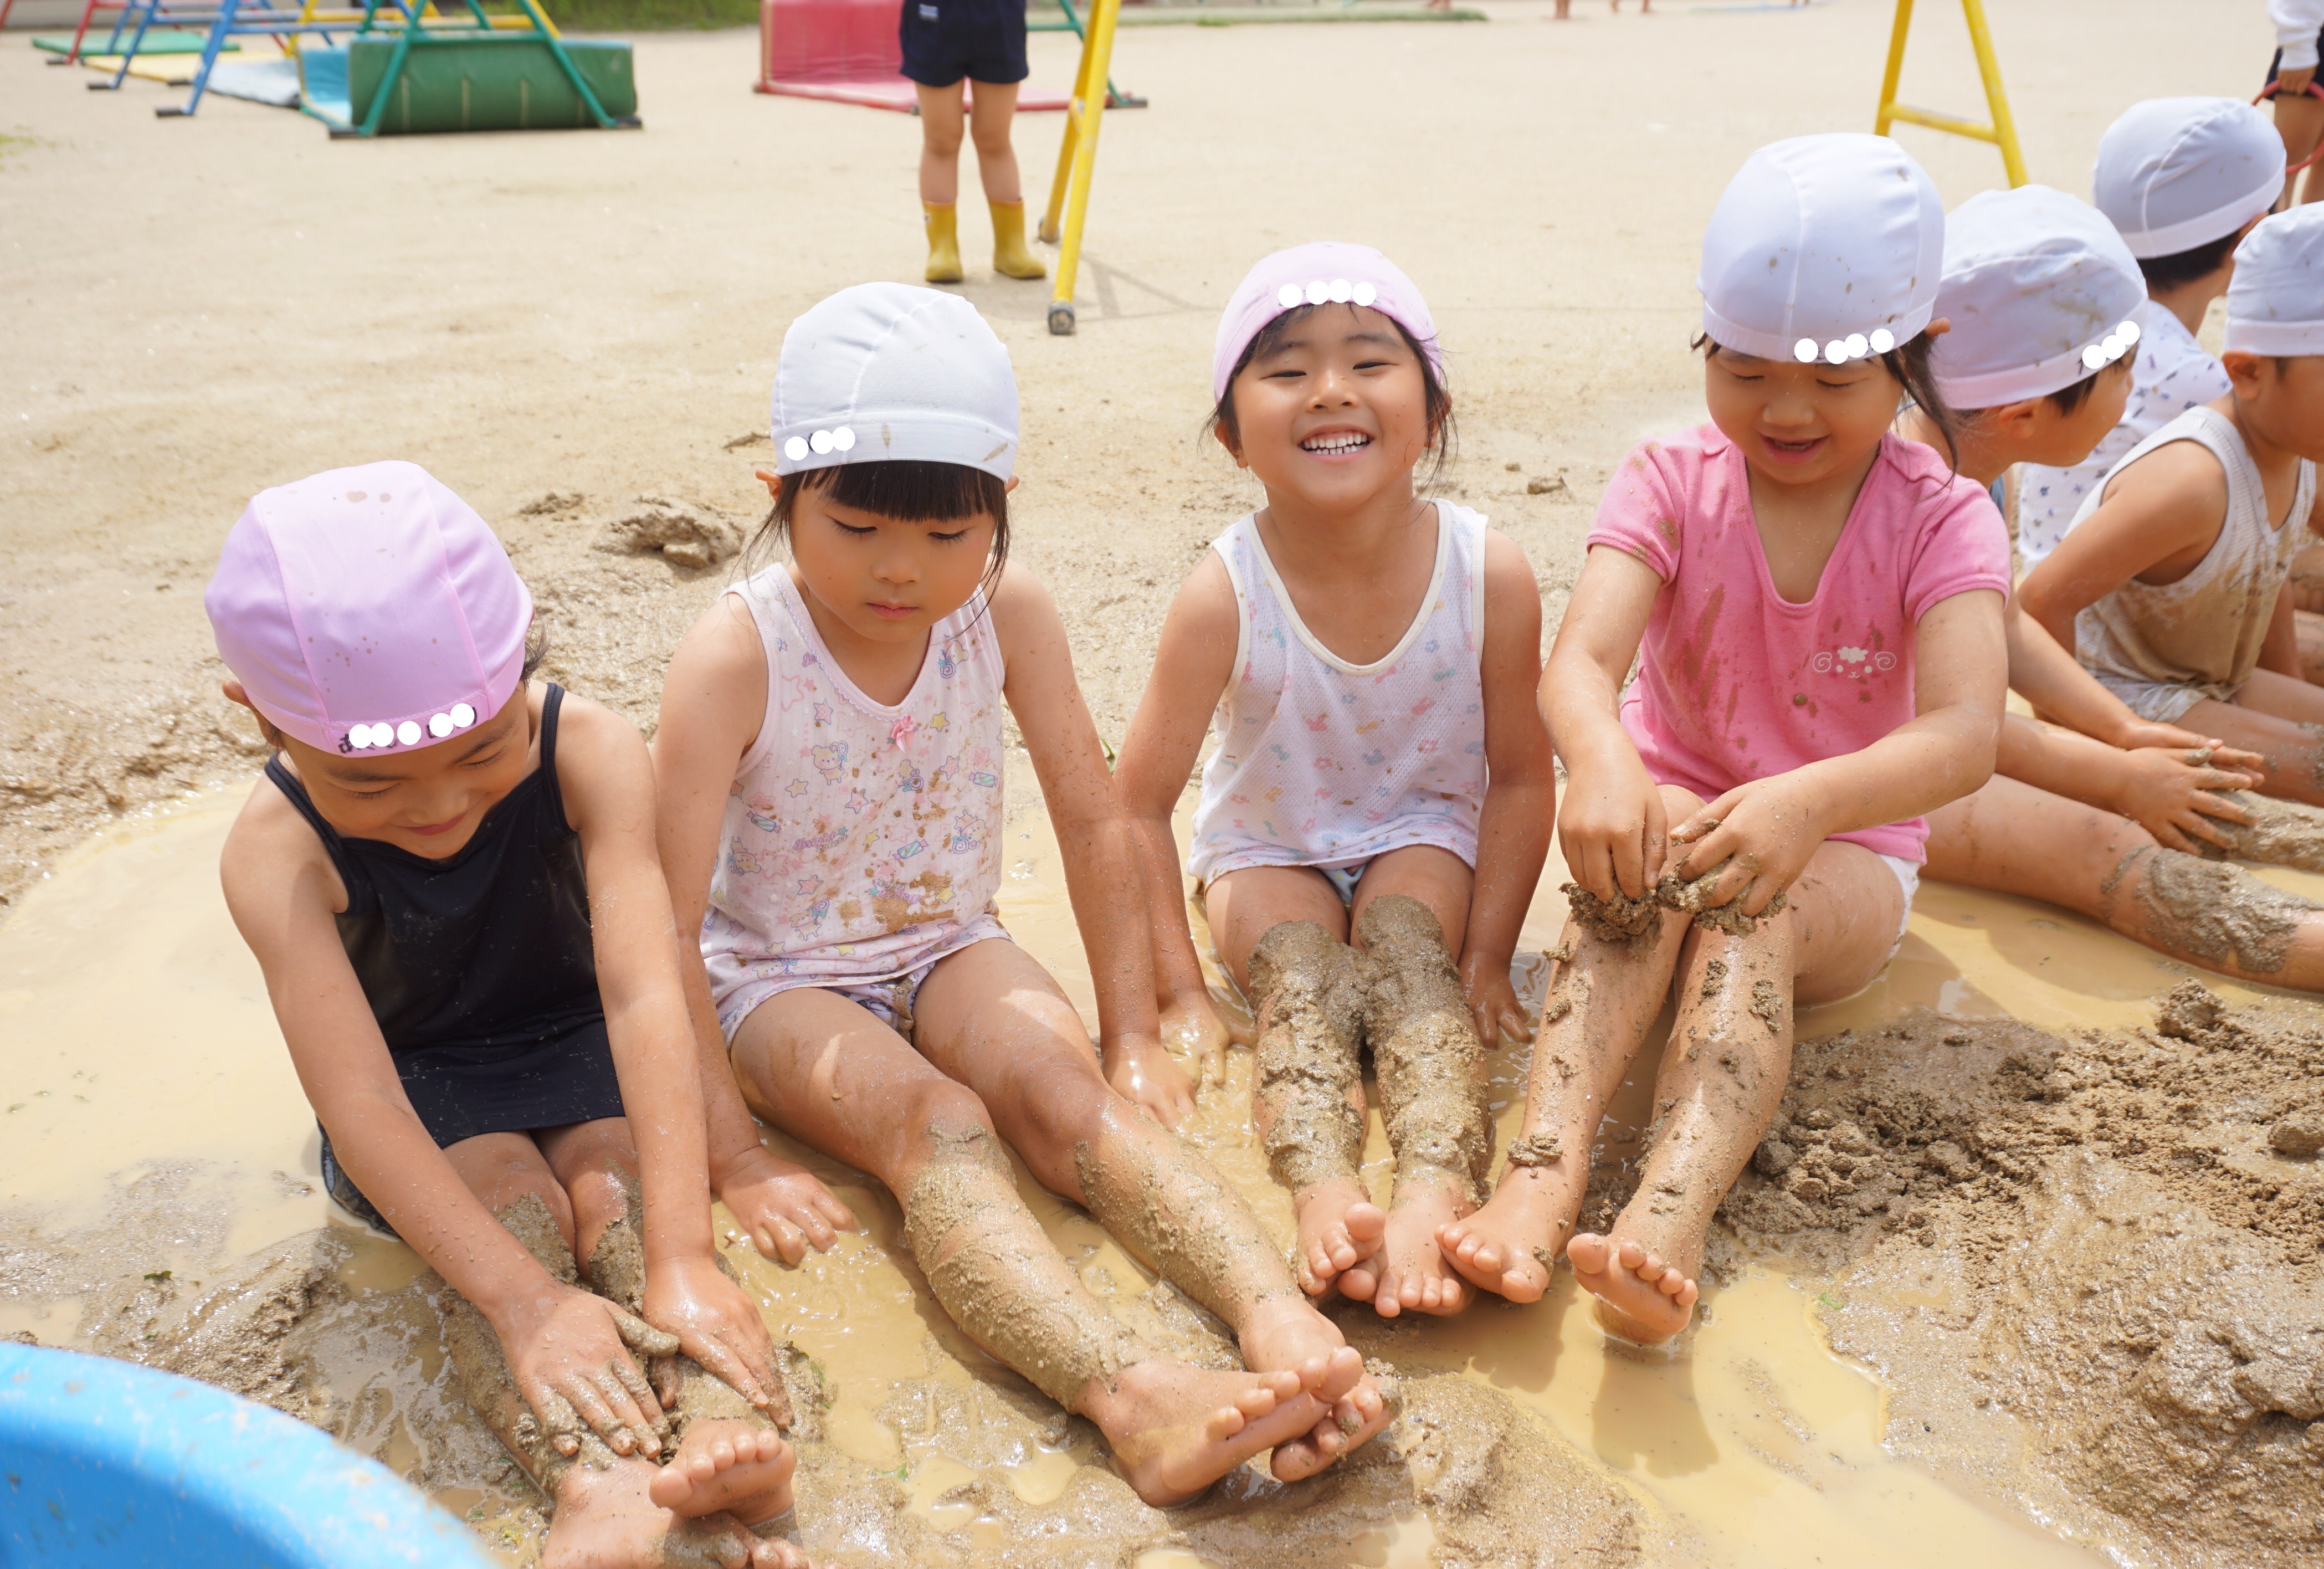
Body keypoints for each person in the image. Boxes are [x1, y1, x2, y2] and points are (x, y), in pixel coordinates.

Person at [651, 283, 1391, 1508]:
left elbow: (1094, 815)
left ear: (997, 516)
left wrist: (1136, 1032)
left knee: (1071, 1100)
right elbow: (665, 924)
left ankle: (1276, 1316)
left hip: (952, 941)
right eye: (861, 530)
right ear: (783, 501)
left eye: (950, 539)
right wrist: (732, 1154)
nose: (905, 572)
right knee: (937, 1125)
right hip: (780, 979)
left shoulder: (1004, 612)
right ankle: (1132, 1396)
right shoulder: (738, 653)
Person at [210, 464, 839, 1569]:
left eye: (479, 752)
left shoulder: (587, 748)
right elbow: (355, 1099)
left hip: (584, 1045)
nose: (441, 802)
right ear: (258, 716)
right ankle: (596, 1482)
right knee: (510, 1199)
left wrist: (684, 1254)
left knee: (615, 1185)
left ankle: (722, 1424)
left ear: (521, 666)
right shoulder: (277, 852)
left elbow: (648, 990)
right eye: (376, 787)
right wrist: (525, 1303)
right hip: (420, 1092)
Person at [1439, 135, 2012, 1341]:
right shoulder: (1667, 475)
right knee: (1626, 907)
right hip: (1671, 816)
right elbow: (1583, 665)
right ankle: (1539, 1179)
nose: (1786, 410)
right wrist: (1603, 759)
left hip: (1845, 853)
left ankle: (1669, 1212)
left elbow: (1966, 733)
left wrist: (1805, 804)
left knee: (1748, 914)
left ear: (1917, 357)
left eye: (1836, 383)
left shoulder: (1944, 517)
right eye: (1742, 372)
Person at [1114, 243, 1552, 1321]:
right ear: (1231, 435)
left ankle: (1437, 1188)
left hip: (1418, 832)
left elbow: (1524, 776)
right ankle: (1326, 1190)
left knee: (1411, 960)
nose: (1331, 391)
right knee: (1304, 981)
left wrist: (1489, 953)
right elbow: (1134, 805)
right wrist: (1176, 989)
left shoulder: (1486, 572)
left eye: (1369, 360)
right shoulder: (1225, 593)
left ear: (1433, 413)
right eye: (1286, 370)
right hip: (1267, 847)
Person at [1901, 186, 2324, 988]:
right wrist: (2116, 772)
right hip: (1871, 771)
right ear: (2027, 415)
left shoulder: (1971, 478)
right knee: (2103, 847)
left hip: (1921, 747)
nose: (2138, 392)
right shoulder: (1923, 506)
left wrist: (2120, 733)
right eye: (2124, 369)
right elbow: (1960, 725)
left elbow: (2007, 628)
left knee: (2170, 803)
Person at [2018, 204, 2324, 807]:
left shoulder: (2298, 447)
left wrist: (2287, 695)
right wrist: (2082, 748)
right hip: (2127, 693)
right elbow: (2035, 605)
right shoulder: (2192, 482)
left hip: (2213, 680)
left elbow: (2271, 571)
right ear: (2248, 372)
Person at [2013, 98, 2282, 570]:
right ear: (2251, 238)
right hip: (2106, 628)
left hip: (2050, 584)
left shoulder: (2089, 319)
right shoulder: (2205, 383)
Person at [902, 0, 1045, 284]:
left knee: (994, 137)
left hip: (998, 16)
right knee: (942, 139)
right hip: (935, 17)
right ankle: (942, 248)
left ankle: (1010, 247)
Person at [2269, 0, 2324, 206]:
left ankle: (2316, 237)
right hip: (2313, 44)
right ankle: (2269, 236)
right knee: (2286, 161)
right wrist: (2299, 48)